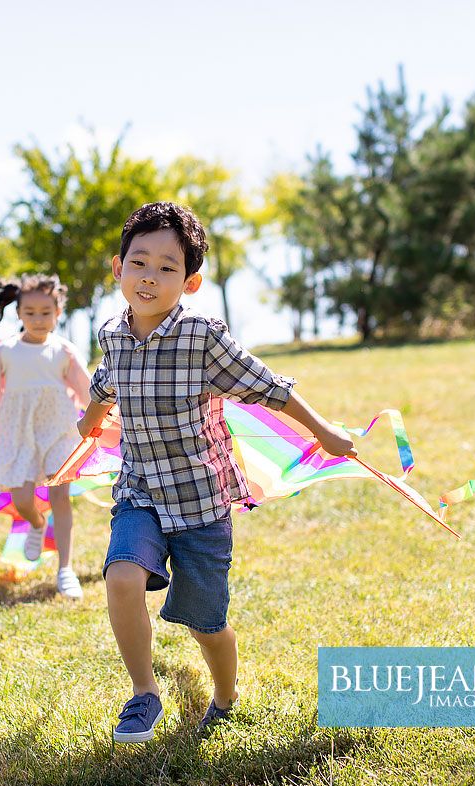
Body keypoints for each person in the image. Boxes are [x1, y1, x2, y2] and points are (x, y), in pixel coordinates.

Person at [77, 202, 358, 740]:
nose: (149, 278)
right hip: (139, 493)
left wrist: (323, 431)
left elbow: (270, 386)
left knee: (206, 623)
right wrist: (89, 421)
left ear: (191, 281)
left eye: (167, 268)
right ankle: (143, 693)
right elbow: (104, 383)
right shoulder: (113, 334)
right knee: (121, 577)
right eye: (139, 263)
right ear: (118, 268)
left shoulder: (201, 337)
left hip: (200, 502)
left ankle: (226, 695)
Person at [0, 274, 90, 599]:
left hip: (58, 431)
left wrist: (111, 415)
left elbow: (87, 391)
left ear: (57, 312)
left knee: (60, 497)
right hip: (18, 433)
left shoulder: (64, 351)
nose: (38, 319)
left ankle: (65, 569)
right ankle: (38, 525)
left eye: (45, 312)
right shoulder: (5, 350)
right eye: (30, 312)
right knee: (22, 499)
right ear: (19, 314)